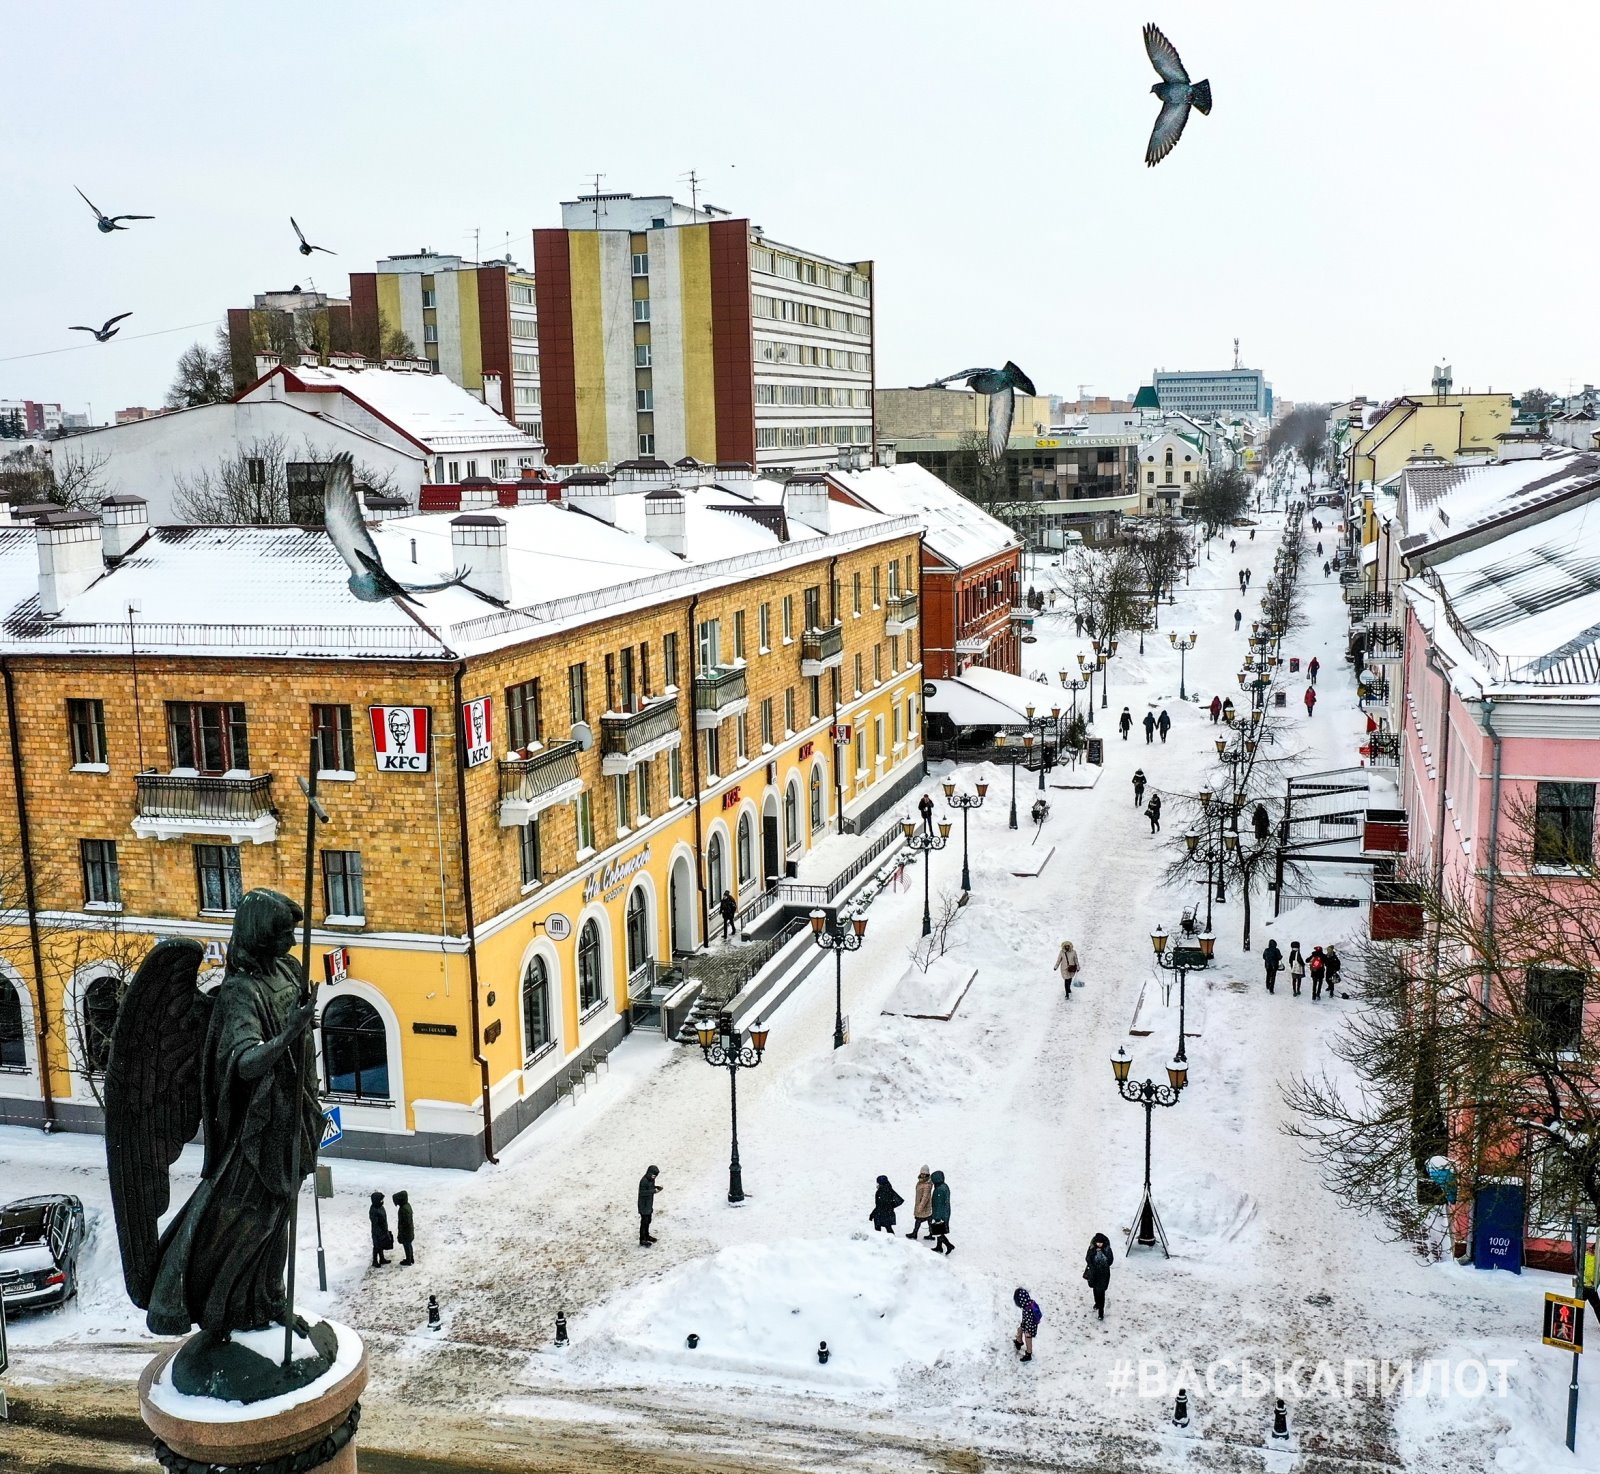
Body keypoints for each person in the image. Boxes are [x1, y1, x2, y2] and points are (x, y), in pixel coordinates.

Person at [1083, 1233, 1114, 1320]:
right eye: (1098, 1243)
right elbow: (1087, 1259)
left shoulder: (1107, 1249)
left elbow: (1110, 1261)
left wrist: (1103, 1260)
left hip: (1103, 1274)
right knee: (1095, 1290)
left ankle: (1101, 1311)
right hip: (1094, 1274)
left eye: (1101, 1243)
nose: (1099, 1244)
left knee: (1101, 1292)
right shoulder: (1092, 1249)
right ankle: (1097, 1303)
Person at [1012, 1286, 1041, 1362]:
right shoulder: (1029, 1304)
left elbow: (1029, 1321)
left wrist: (1026, 1329)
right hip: (1027, 1324)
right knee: (1019, 1330)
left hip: (1030, 1328)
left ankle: (1028, 1353)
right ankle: (1019, 1342)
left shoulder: (1027, 1309)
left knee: (1028, 1339)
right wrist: (1023, 1325)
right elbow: (1025, 1319)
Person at [927, 1170, 953, 1254]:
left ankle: (949, 1245)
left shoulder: (939, 1190)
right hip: (945, 1212)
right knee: (939, 1231)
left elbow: (938, 1204)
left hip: (940, 1214)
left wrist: (937, 1217)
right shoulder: (944, 1186)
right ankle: (939, 1247)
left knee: (938, 1231)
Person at [907, 1166, 933, 1240]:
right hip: (921, 1205)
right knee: (929, 1221)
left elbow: (925, 1198)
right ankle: (931, 1234)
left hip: (924, 1207)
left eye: (925, 1174)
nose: (923, 1175)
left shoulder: (927, 1184)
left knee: (919, 1220)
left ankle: (915, 1234)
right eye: (922, 1173)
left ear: (927, 1174)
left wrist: (920, 1207)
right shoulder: (921, 1181)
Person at [638, 1165, 662, 1245]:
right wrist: (654, 1191)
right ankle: (642, 1239)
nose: (654, 1177)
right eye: (653, 1175)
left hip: (648, 1204)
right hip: (643, 1206)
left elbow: (650, 1188)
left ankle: (647, 1236)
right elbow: (642, 1192)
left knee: (648, 1221)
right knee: (644, 1222)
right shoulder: (644, 1181)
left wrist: (656, 1188)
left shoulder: (651, 1180)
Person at [369, 1191, 391, 1268]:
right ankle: (375, 1261)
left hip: (383, 1230)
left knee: (380, 1245)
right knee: (376, 1246)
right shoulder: (374, 1210)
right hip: (377, 1232)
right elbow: (375, 1223)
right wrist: (380, 1232)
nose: (382, 1201)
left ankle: (382, 1258)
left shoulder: (380, 1207)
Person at [394, 1189, 415, 1266]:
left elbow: (404, 1223)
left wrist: (401, 1232)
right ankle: (411, 1258)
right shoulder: (407, 1206)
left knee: (407, 1245)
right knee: (409, 1245)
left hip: (406, 1231)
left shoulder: (403, 1209)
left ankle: (408, 1260)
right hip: (409, 1230)